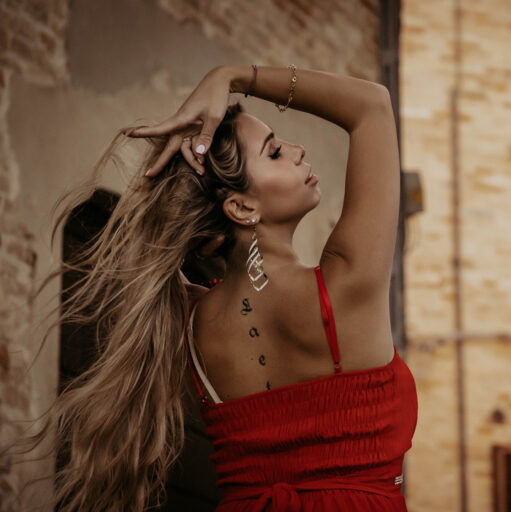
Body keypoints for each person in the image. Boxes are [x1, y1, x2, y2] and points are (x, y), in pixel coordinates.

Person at [3, 64, 417, 512]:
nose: (298, 151)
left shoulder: (190, 323)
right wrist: (236, 76)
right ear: (240, 206)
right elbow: (371, 106)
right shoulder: (349, 281)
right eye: (275, 151)